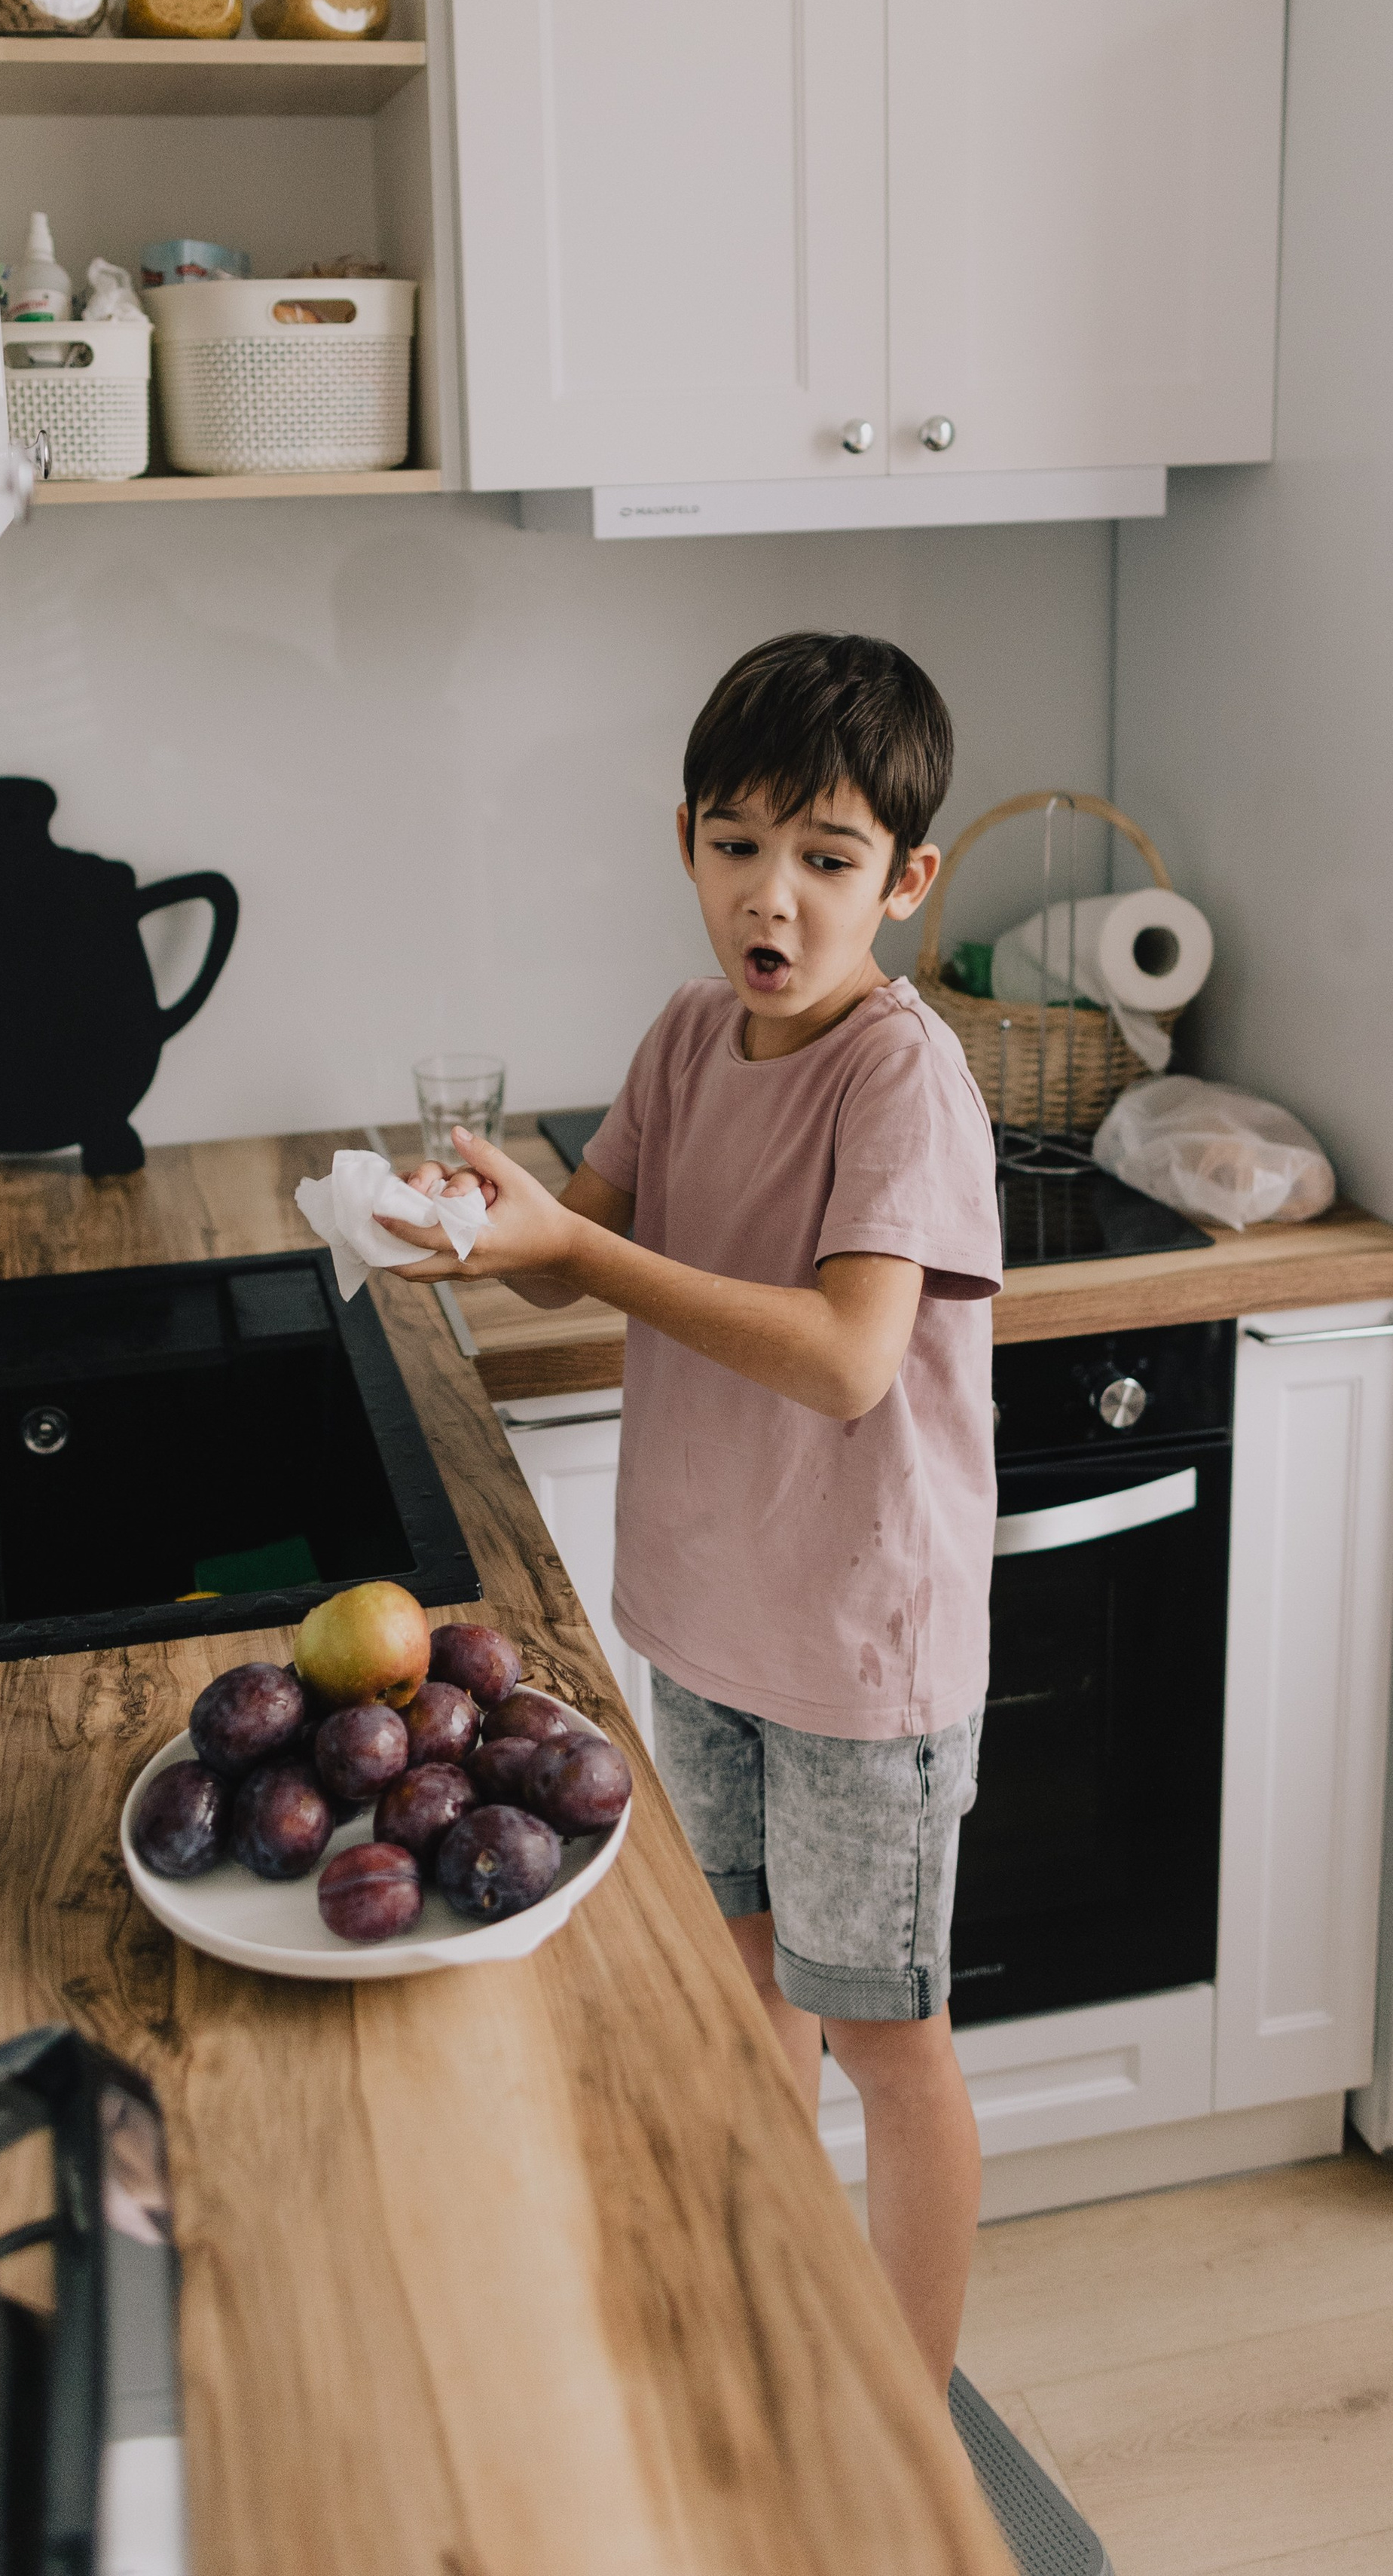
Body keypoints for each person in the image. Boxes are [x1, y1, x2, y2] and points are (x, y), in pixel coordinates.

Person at [380, 630, 1000, 2392]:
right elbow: (569, 1251)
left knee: (889, 2048)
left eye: (824, 859)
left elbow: (845, 1359)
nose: (774, 899)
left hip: (857, 1649)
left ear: (904, 877)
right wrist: (468, 1217)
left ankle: (901, 2418)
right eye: (737, 847)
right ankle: (777, 2330)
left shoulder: (896, 1075)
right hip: (706, 1617)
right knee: (750, 1997)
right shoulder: (679, 1035)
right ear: (684, 845)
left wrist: (572, 1247)